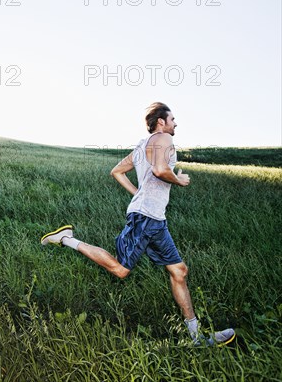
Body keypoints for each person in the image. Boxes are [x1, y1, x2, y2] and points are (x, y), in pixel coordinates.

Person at [41, 102, 235, 346]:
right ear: (161, 122)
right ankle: (66, 238)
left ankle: (195, 337)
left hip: (155, 219)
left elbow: (117, 171)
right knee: (121, 270)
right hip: (145, 218)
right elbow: (161, 170)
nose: (176, 123)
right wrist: (180, 180)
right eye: (173, 119)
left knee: (179, 271)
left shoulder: (142, 146)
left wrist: (138, 193)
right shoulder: (163, 138)